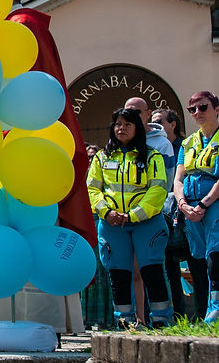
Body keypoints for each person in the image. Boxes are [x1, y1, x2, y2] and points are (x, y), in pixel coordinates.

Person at [0, 0, 91, 333]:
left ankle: (29, 321)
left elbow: (17, 97)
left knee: (24, 221)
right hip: (15, 145)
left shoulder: (18, 28)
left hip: (21, 149)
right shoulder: (15, 27)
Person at [87, 107, 172, 328]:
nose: (121, 128)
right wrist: (107, 212)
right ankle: (124, 320)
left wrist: (133, 215)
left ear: (137, 128)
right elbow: (92, 189)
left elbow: (158, 189)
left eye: (127, 124)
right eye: (117, 124)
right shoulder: (102, 157)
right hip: (112, 224)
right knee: (118, 273)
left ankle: (162, 319)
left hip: (147, 223)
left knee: (152, 270)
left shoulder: (152, 156)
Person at [154, 107, 208, 319]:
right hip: (166, 214)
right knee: (169, 269)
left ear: (173, 124)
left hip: (189, 211)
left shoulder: (184, 146)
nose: (156, 125)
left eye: (160, 121)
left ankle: (204, 314)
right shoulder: (155, 148)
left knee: (198, 264)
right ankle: (177, 315)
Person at [174, 91, 219, 323]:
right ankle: (203, 313)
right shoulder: (188, 142)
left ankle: (216, 307)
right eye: (192, 110)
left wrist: (203, 204)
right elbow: (178, 178)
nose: (197, 113)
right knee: (198, 260)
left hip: (213, 205)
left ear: (216, 109)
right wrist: (182, 204)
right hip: (190, 208)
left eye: (202, 107)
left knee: (215, 256)